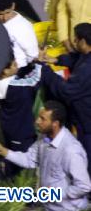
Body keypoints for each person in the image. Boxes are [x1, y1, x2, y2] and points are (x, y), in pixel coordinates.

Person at [0, 101, 91, 211]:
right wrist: (4, 151)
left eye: (42, 119)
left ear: (55, 123)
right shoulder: (44, 138)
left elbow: (84, 186)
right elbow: (29, 159)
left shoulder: (71, 150)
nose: (37, 121)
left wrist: (55, 195)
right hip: (49, 210)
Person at [40, 23, 91, 166]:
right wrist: (54, 59)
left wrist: (45, 71)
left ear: (83, 41)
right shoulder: (85, 57)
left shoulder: (87, 70)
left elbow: (66, 90)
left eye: (76, 39)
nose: (73, 42)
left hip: (87, 124)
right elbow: (76, 59)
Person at [0, 59, 41, 176]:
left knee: (10, 154)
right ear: (5, 70)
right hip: (20, 131)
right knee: (21, 164)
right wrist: (39, 63)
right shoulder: (16, 86)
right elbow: (35, 80)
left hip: (10, 127)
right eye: (14, 65)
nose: (17, 67)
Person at [0, 0, 39, 67]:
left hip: (15, 69)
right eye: (0, 14)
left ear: (13, 6)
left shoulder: (23, 27)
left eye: (8, 12)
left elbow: (33, 54)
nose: (5, 18)